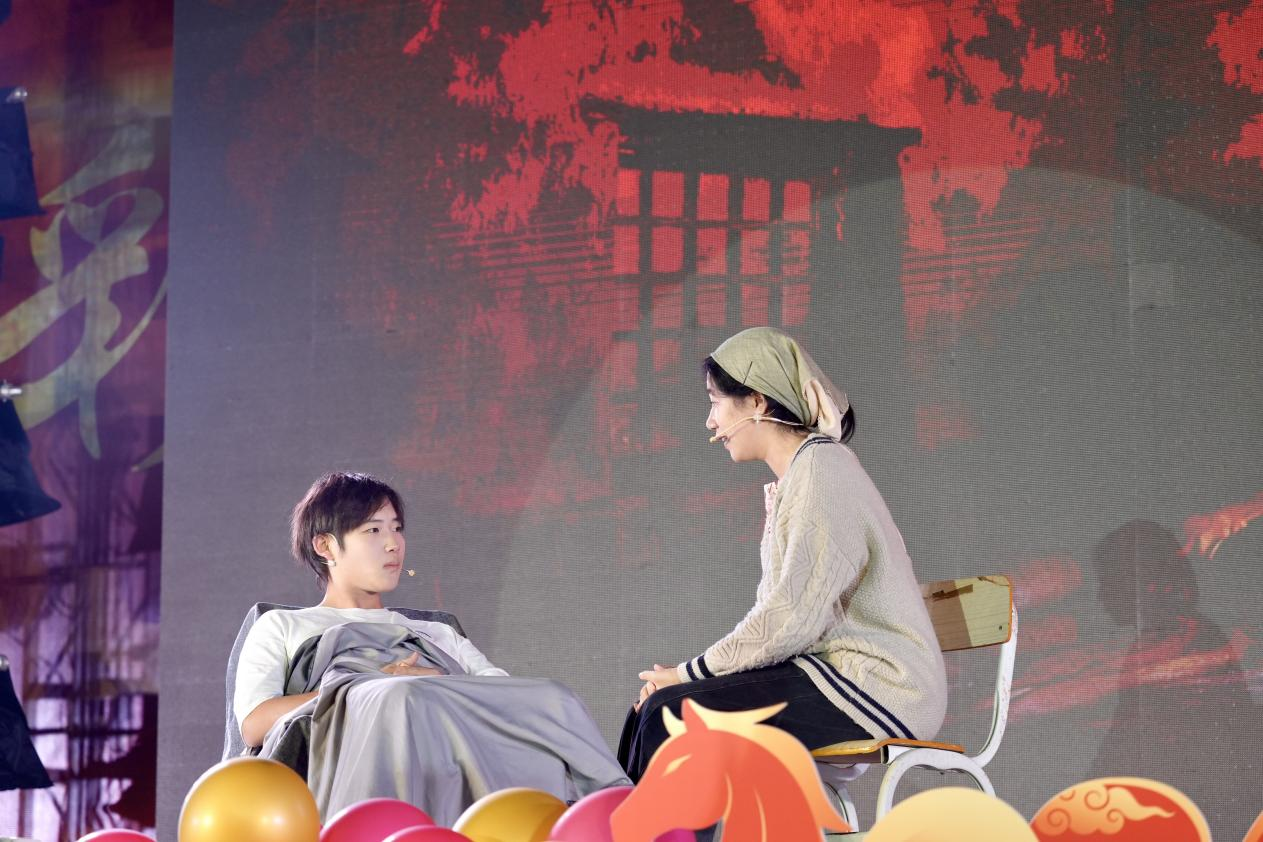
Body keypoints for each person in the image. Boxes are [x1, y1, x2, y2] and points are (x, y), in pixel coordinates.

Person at [618, 326, 948, 780]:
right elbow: (782, 618)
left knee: (670, 714)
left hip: (882, 688)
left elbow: (790, 620)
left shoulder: (821, 470)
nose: (710, 422)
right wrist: (688, 679)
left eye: (716, 402)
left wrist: (689, 675)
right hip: (835, 674)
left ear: (757, 401)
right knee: (653, 709)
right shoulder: (803, 474)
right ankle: (616, 816)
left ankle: (632, 818)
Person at [233, 472, 629, 824]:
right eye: (373, 530)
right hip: (346, 750)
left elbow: (499, 692)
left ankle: (620, 814)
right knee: (400, 696)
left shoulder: (434, 632)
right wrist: (365, 684)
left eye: (397, 529)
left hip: (452, 739)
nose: (393, 544)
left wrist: (437, 682)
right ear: (325, 546)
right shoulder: (284, 626)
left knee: (553, 697)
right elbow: (254, 723)